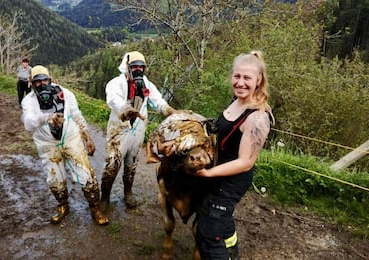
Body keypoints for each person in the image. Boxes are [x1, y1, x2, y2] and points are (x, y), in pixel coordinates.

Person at [194, 50, 275, 260]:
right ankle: (232, 250)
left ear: (259, 81)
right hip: (219, 172)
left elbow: (246, 162)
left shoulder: (257, 118)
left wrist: (208, 173)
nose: (240, 82)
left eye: (247, 78)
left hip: (232, 181)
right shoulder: (238, 100)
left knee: (209, 232)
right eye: (237, 76)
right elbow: (224, 128)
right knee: (213, 216)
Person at [20, 65, 109, 225]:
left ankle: (95, 208)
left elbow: (76, 114)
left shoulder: (65, 94)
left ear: (50, 79)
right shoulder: (29, 101)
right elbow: (28, 124)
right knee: (55, 177)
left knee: (86, 174)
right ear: (31, 83)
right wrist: (45, 118)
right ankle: (63, 206)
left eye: (44, 80)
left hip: (70, 138)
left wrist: (87, 136)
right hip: (47, 143)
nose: (41, 84)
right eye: (37, 82)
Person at [100, 51, 176, 211]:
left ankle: (128, 192)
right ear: (127, 67)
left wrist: (167, 109)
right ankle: (104, 197)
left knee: (132, 162)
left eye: (141, 67)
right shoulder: (116, 83)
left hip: (138, 129)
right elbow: (113, 98)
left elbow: (157, 99)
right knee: (112, 163)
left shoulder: (146, 84)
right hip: (119, 129)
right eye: (134, 66)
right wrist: (125, 108)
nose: (138, 70)